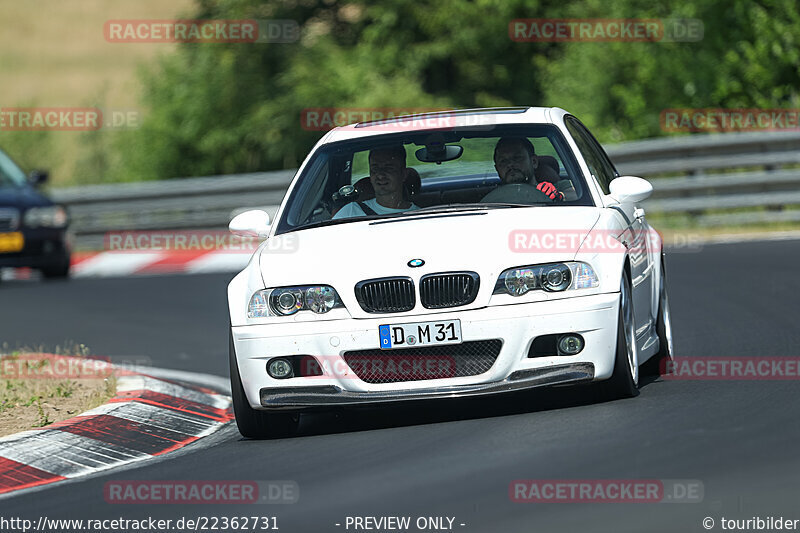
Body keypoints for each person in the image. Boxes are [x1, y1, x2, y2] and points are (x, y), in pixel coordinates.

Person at [333, 146, 420, 219]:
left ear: (403, 174)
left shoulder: (421, 216)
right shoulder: (350, 212)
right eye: (375, 169)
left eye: (389, 168)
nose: (380, 175)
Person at [492, 137, 565, 201]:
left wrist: (559, 196)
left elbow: (572, 194)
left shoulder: (558, 187)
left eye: (517, 158)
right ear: (497, 169)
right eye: (503, 161)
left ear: (534, 162)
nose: (510, 164)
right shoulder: (491, 199)